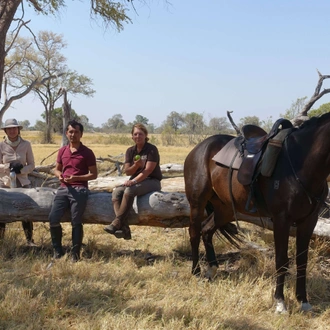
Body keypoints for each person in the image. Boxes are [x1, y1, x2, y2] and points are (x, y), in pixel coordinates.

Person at [48, 120, 97, 262]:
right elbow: (56, 169)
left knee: (76, 221)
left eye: (76, 132)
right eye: (70, 131)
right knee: (53, 218)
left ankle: (75, 254)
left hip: (80, 189)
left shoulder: (87, 152)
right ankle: (58, 251)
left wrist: (77, 177)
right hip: (63, 188)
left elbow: (94, 174)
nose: (73, 134)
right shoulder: (63, 150)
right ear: (66, 133)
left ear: (81, 134)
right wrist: (60, 176)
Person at [104, 123, 162, 240]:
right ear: (132, 136)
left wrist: (134, 181)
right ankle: (123, 227)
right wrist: (136, 166)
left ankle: (117, 222)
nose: (137, 136)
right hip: (136, 181)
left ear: (145, 135)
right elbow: (128, 171)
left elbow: (148, 170)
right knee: (116, 192)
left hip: (152, 181)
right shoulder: (130, 151)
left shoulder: (151, 149)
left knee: (129, 190)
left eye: (140, 134)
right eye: (135, 134)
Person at [0, 118, 36, 245]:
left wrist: (21, 170)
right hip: (5, 183)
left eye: (14, 128)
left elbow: (31, 165)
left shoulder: (26, 144)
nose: (12, 131)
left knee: (26, 212)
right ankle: (2, 241)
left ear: (18, 130)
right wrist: (8, 167)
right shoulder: (1, 145)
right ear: (5, 130)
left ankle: (29, 240)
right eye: (9, 128)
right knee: (2, 212)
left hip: (23, 183)